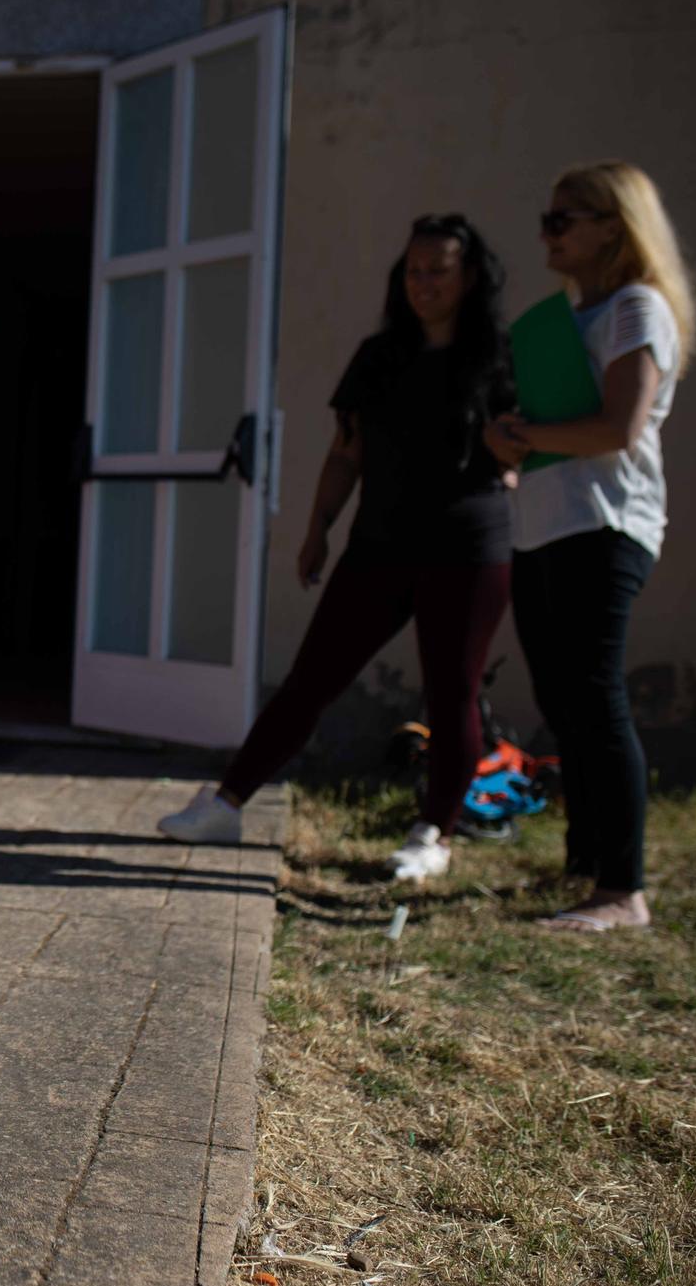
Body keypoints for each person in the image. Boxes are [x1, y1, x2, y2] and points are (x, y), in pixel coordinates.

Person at [158, 216, 516, 880]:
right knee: (310, 679)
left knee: (451, 692)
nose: (423, 282)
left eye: (439, 269)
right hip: (377, 544)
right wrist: (319, 524)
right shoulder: (378, 357)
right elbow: (345, 453)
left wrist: (513, 451)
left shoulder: (498, 357)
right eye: (413, 269)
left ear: (469, 277)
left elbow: (521, 454)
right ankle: (226, 805)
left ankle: (432, 833)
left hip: (467, 548)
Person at [483, 161, 695, 932]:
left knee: (596, 696)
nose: (547, 231)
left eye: (563, 218)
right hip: (543, 523)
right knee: (561, 698)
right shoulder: (568, 317)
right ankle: (585, 864)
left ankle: (623, 892)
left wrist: (526, 434)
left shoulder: (636, 308)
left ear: (614, 224)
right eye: (547, 217)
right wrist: (504, 439)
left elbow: (617, 428)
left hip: (606, 524)